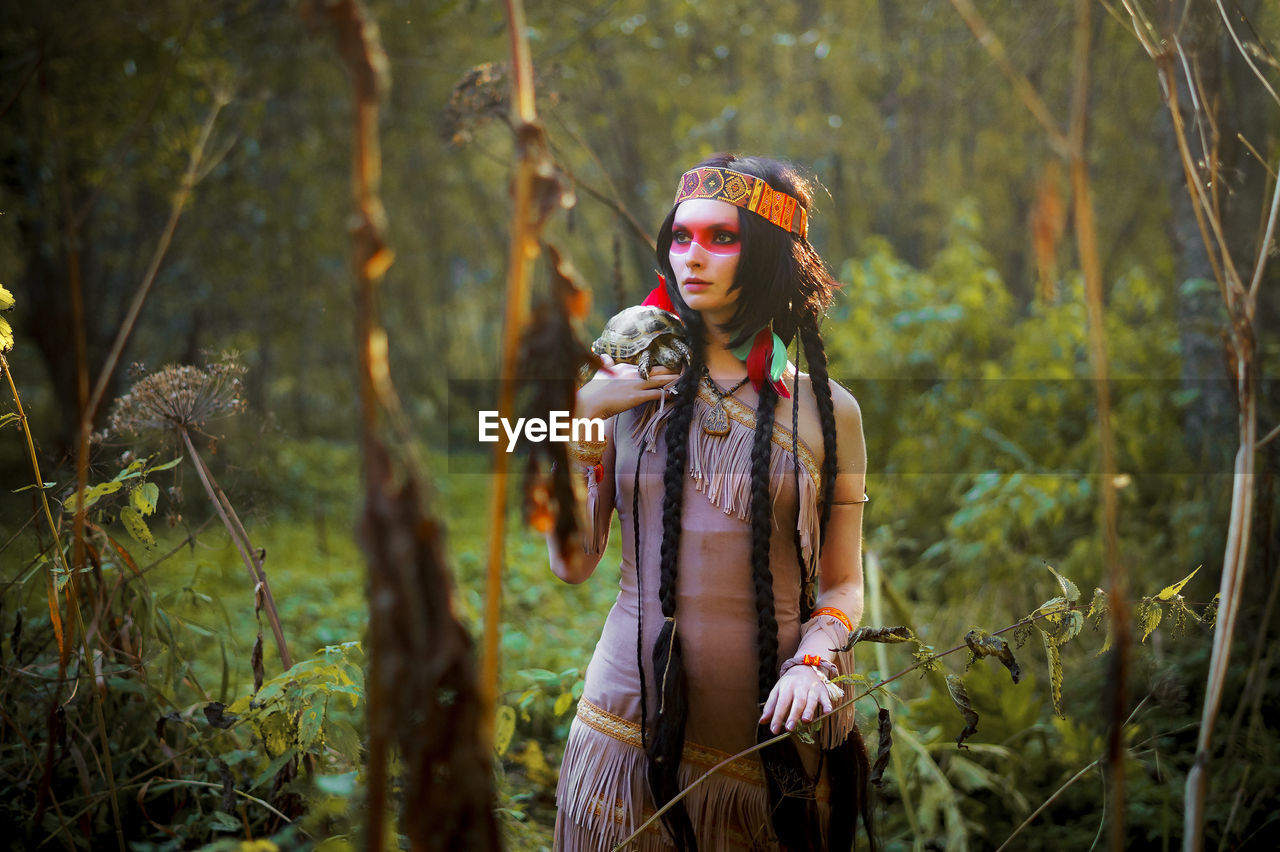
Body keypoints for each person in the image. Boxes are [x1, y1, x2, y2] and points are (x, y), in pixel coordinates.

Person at [548, 154, 873, 851]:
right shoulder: (625, 382)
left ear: (766, 257)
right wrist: (577, 421)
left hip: (781, 742)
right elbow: (574, 562)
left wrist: (816, 659)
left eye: (721, 238)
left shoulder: (829, 411)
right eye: (681, 236)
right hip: (627, 733)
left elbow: (843, 583)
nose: (692, 256)